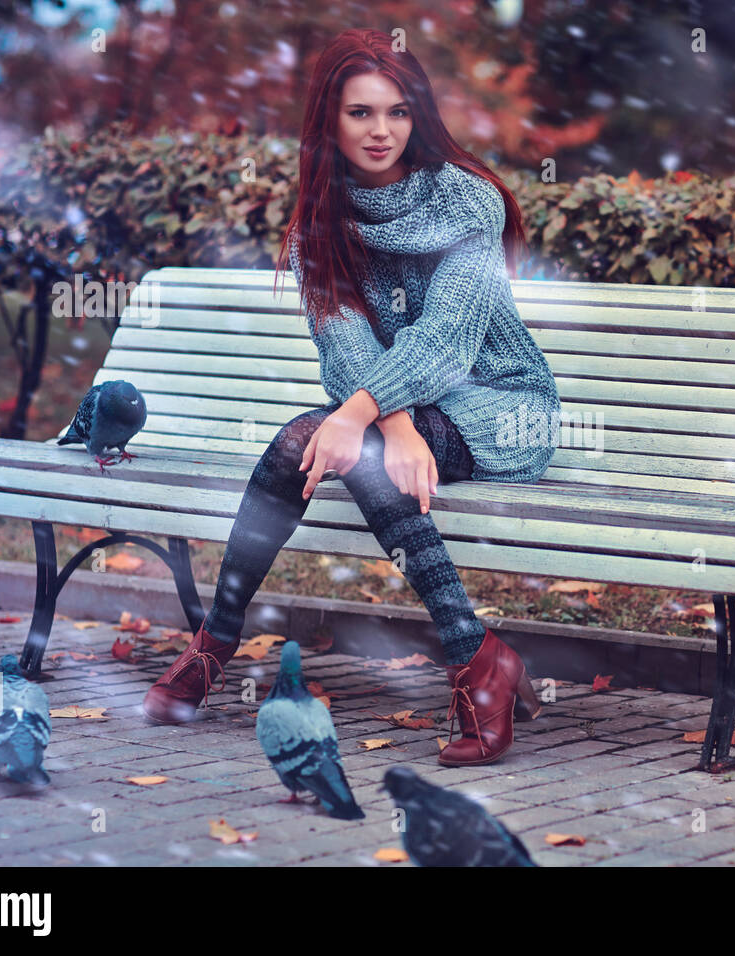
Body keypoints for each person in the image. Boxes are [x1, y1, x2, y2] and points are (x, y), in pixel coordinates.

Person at [142, 28, 561, 768]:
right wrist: (392, 425)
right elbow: (346, 350)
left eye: (398, 113)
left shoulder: (470, 203)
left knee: (343, 439)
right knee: (301, 440)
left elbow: (445, 344)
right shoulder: (322, 223)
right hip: (402, 410)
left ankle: (473, 654)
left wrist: (367, 419)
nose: (381, 131)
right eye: (361, 113)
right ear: (329, 121)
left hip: (499, 407)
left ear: (418, 116)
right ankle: (220, 639)